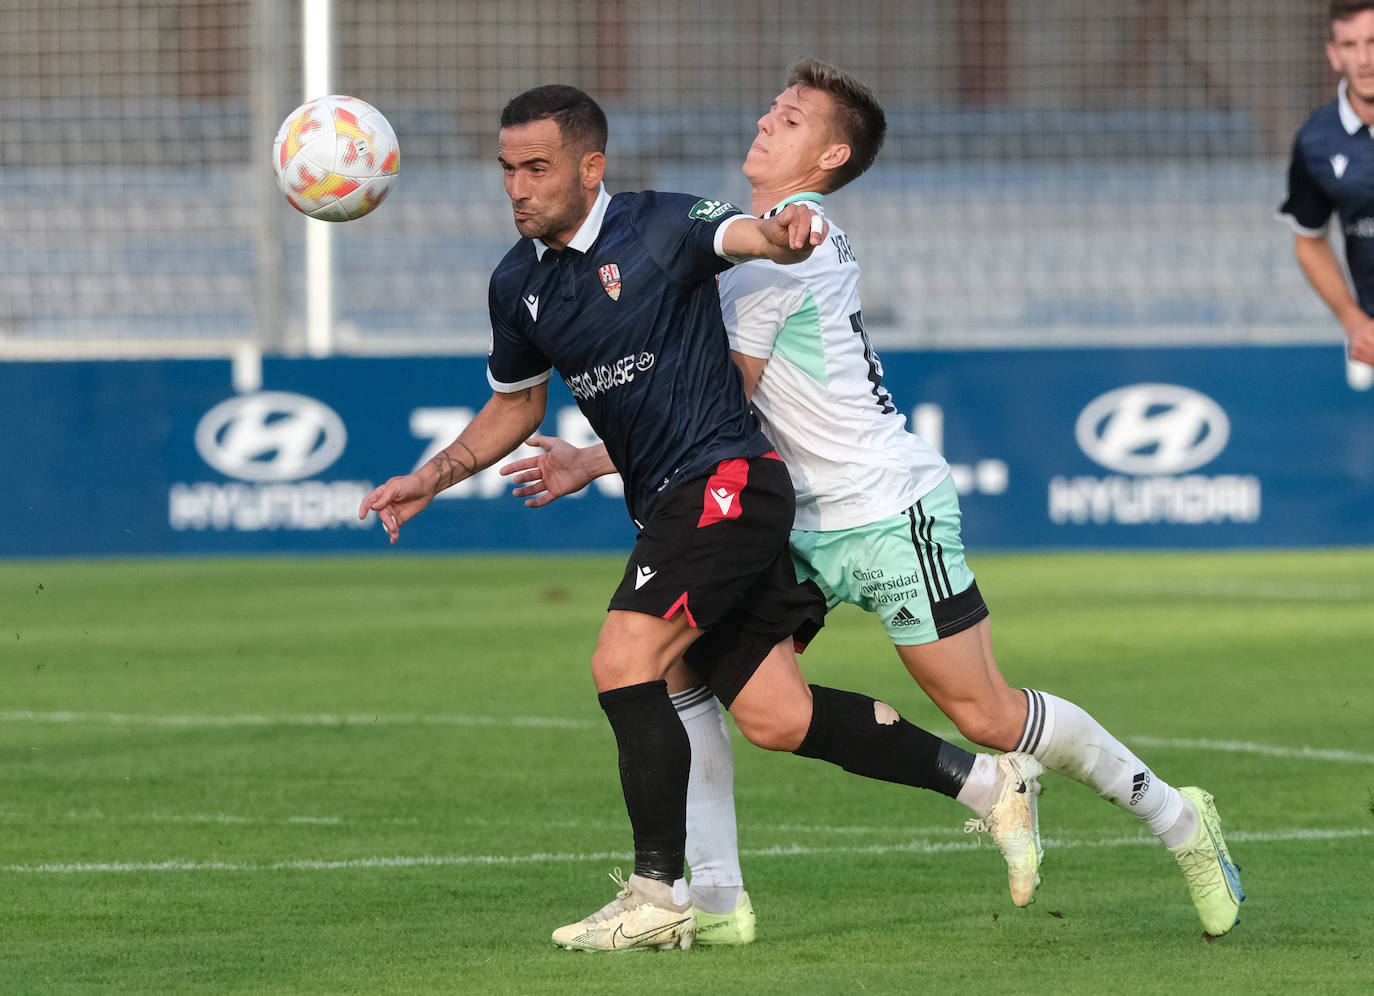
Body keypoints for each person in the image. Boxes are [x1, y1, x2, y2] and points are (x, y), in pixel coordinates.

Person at [501, 59, 1246, 939]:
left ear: (832, 154)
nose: (767, 123)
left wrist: (590, 460)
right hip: (787, 516)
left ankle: (1179, 819)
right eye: (770, 109)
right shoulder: (747, 240)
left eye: (791, 118)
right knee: (732, 695)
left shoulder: (787, 253)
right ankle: (715, 898)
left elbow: (714, 401)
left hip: (882, 508)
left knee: (987, 712)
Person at [360, 83, 1044, 953]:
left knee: (625, 656)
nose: (518, 187)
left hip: (729, 483)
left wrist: (785, 235)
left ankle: (659, 894)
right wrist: (434, 475)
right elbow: (515, 409)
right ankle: (987, 788)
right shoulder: (518, 286)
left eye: (537, 168)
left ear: (589, 166)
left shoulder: (658, 223)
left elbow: (744, 234)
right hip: (677, 503)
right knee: (775, 715)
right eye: (507, 170)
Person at [1279, 0, 1374, 370]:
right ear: (1334, 56)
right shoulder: (1316, 140)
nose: (1364, 59)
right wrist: (1356, 324)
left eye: (1373, 41)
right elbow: (1309, 241)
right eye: (1350, 46)